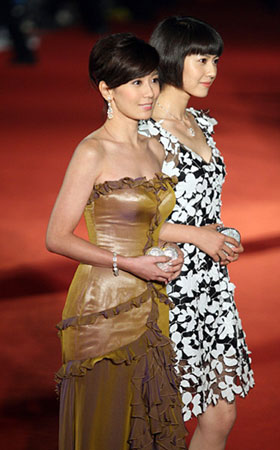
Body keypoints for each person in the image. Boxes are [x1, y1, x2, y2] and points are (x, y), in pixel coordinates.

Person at [46, 32, 187, 450]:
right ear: (106, 90)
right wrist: (129, 263)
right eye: (136, 83)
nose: (149, 93)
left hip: (152, 305)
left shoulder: (157, 149)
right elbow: (56, 237)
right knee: (106, 430)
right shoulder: (92, 151)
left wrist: (172, 249)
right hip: (102, 308)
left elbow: (152, 223)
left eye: (153, 80)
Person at [139, 16, 255, 450]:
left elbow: (201, 203)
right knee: (158, 419)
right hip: (167, 286)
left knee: (221, 413)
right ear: (171, 58)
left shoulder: (199, 124)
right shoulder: (146, 133)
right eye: (201, 59)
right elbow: (126, 220)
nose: (212, 70)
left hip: (211, 287)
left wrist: (220, 234)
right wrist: (197, 236)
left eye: (216, 60)